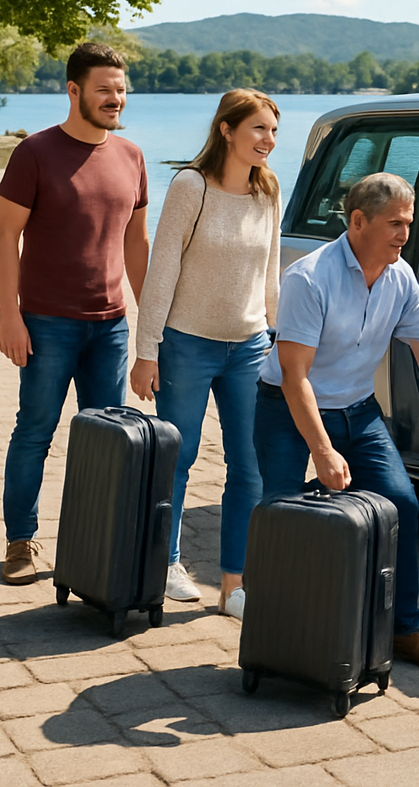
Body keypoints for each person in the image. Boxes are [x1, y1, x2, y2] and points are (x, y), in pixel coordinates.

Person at [253, 172, 419, 670]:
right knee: (282, 514)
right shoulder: (309, 277)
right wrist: (321, 451)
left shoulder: (400, 277)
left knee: (401, 503)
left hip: (360, 412)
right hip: (288, 408)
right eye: (395, 223)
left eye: (409, 222)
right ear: (357, 221)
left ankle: (404, 629)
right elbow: (295, 378)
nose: (405, 234)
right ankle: (275, 633)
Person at [0, 43, 149, 585]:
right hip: (45, 323)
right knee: (35, 430)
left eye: (121, 88)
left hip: (111, 325)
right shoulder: (35, 153)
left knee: (106, 440)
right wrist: (8, 316)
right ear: (74, 90)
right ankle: (20, 541)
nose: (115, 98)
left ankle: (92, 543)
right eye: (104, 88)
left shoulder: (132, 156)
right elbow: (3, 235)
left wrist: (148, 326)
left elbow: (136, 245)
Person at [130, 90, 280, 620]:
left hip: (249, 347)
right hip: (188, 342)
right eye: (259, 129)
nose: (268, 141)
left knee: (250, 464)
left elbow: (270, 272)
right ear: (226, 130)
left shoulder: (268, 190)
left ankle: (233, 584)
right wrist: (146, 350)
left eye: (273, 132)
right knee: (178, 456)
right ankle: (166, 563)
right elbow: (163, 269)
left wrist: (277, 339)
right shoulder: (190, 186)